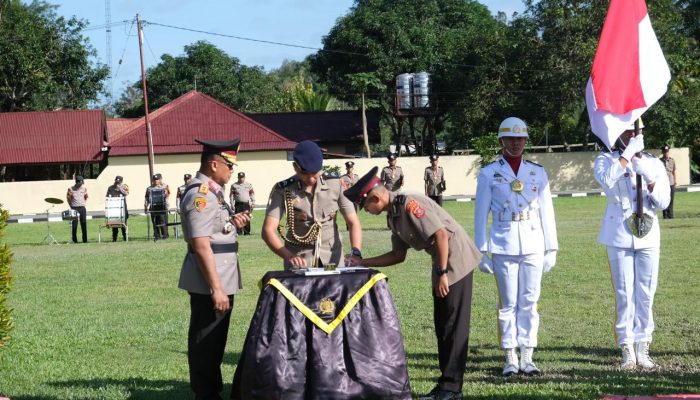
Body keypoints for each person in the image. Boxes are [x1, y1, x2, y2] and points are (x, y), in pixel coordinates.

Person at [344, 166, 481, 400]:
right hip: (442, 261)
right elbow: (398, 255)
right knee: (443, 324)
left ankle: (451, 388)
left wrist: (442, 272)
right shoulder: (393, 215)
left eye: (365, 206)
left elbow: (440, 234)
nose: (366, 211)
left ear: (376, 197)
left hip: (454, 260)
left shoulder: (409, 204)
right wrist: (362, 262)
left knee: (452, 326)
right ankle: (447, 385)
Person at [474, 117, 558, 376]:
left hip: (533, 243)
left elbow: (547, 212)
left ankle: (528, 357)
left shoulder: (537, 172)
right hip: (503, 244)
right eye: (510, 139)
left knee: (530, 302)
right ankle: (510, 356)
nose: (515, 143)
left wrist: (551, 248)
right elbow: (480, 214)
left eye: (520, 139)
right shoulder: (489, 173)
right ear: (501, 141)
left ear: (525, 141)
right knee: (508, 303)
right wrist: (481, 250)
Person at [178, 138, 251, 400]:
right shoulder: (200, 195)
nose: (232, 172)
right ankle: (206, 393)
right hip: (211, 278)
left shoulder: (213, 191)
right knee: (206, 340)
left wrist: (232, 223)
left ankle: (211, 390)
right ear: (214, 164)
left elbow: (213, 229)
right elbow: (200, 244)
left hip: (222, 274)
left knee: (216, 338)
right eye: (229, 166)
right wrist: (216, 288)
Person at [593, 121, 670, 370]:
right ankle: (626, 346)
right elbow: (606, 180)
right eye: (627, 131)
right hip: (619, 234)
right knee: (624, 293)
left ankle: (643, 343)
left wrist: (649, 178)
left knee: (646, 292)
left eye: (635, 131)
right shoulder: (606, 159)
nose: (633, 134)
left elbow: (663, 201)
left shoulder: (653, 162)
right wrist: (627, 155)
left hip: (648, 236)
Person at [262, 140, 362, 270]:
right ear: (295, 167)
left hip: (331, 259)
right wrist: (288, 256)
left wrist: (356, 251)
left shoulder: (336, 184)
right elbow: (268, 230)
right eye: (304, 173)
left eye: (314, 173)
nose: (310, 179)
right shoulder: (283, 190)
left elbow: (353, 222)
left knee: (333, 290)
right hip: (299, 261)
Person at [145, 173, 171, 240]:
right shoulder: (149, 188)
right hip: (153, 207)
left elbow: (167, 196)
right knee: (155, 221)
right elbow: (146, 198)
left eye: (157, 179)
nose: (155, 181)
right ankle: (157, 236)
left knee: (163, 221)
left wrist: (168, 207)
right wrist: (146, 207)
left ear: (160, 179)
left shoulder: (165, 186)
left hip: (162, 206)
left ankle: (165, 235)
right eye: (154, 179)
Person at [105, 175, 129, 242]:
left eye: (119, 182)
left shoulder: (125, 186)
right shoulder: (110, 188)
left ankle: (125, 238)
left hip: (122, 208)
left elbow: (126, 193)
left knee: (123, 223)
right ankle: (114, 238)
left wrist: (120, 188)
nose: (117, 183)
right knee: (114, 223)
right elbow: (107, 196)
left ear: (122, 181)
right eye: (116, 181)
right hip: (113, 208)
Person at [66, 175, 88, 243]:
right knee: (74, 225)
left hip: (82, 208)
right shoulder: (70, 189)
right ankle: (74, 240)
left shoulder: (84, 189)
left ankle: (85, 240)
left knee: (83, 224)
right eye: (80, 183)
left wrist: (82, 203)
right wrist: (71, 206)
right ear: (76, 182)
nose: (81, 184)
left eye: (82, 183)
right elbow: (68, 198)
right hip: (74, 208)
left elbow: (86, 197)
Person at [660, 145, 676, 219]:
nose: (666, 153)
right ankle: (665, 216)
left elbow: (673, 172)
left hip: (671, 182)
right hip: (663, 183)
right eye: (664, 151)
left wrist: (675, 182)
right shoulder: (659, 161)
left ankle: (671, 215)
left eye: (667, 151)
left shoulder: (672, 160)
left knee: (671, 199)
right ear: (662, 152)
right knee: (664, 199)